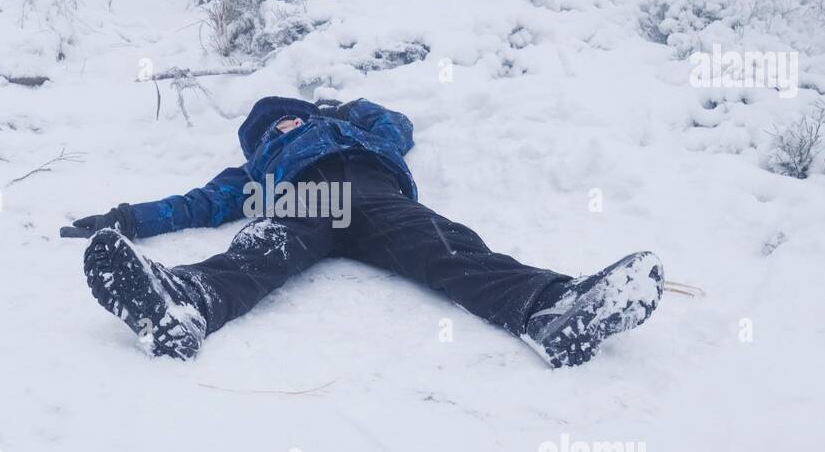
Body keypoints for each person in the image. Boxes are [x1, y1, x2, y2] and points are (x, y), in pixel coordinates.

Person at [61, 96, 663, 367]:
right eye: (272, 128)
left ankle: (549, 308)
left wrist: (345, 111)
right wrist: (131, 217)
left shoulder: (360, 133)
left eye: (290, 116)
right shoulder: (258, 171)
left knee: (447, 246)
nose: (284, 127)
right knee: (260, 250)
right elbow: (198, 204)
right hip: (305, 200)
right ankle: (181, 305)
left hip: (378, 197)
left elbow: (397, 123)